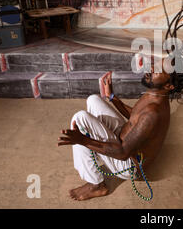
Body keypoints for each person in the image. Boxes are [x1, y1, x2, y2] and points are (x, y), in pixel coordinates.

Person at [57, 61, 174, 201]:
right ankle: (97, 148)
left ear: (168, 86)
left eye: (158, 71)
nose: (152, 68)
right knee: (93, 99)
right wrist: (112, 97)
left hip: (129, 164)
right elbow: (135, 117)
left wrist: (82, 140)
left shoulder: (153, 113)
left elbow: (123, 153)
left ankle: (96, 185)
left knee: (80, 118)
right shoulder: (155, 94)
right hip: (123, 137)